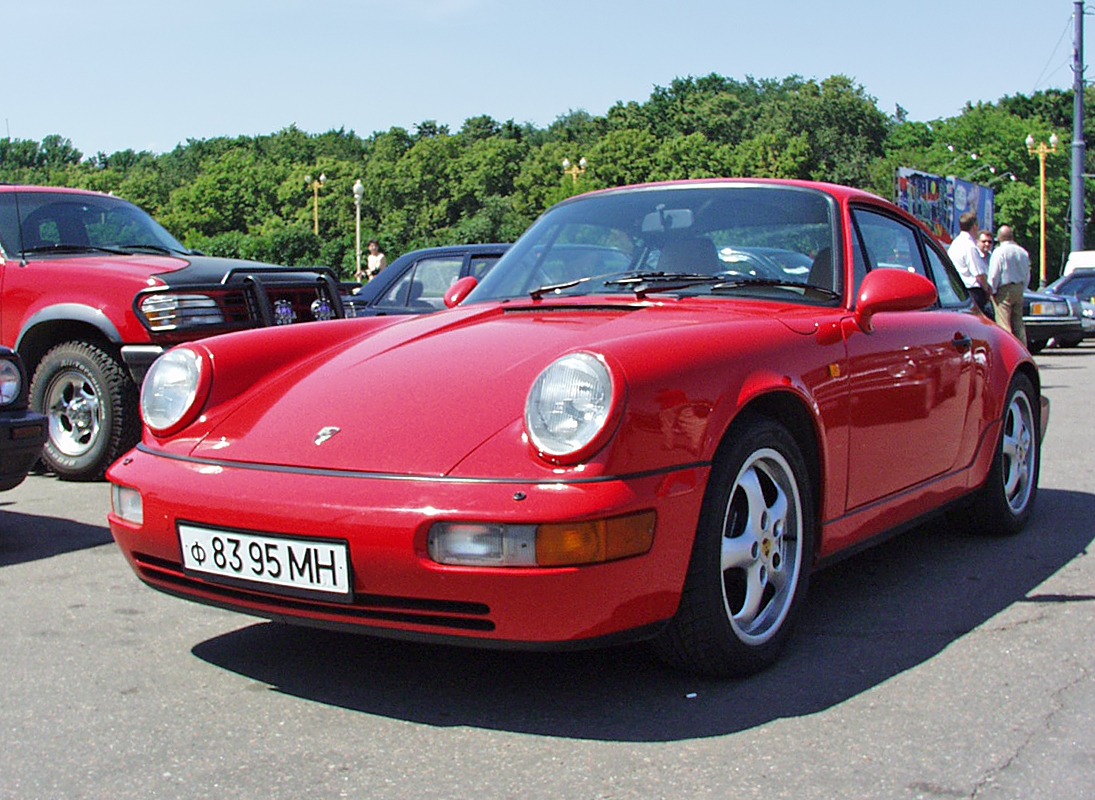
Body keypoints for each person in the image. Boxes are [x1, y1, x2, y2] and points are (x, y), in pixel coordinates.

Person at [988, 225, 1031, 347]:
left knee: (1003, 322)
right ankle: (1022, 348)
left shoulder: (999, 252)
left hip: (1004, 289)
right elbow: (1027, 273)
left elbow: (994, 273)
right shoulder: (1022, 252)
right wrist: (1023, 288)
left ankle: (1007, 349)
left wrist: (992, 289)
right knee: (1018, 322)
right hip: (1019, 288)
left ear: (1000, 237)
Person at [948, 211, 994, 318]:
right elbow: (979, 275)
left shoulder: (955, 243)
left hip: (957, 290)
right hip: (973, 292)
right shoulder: (970, 246)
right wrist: (988, 290)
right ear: (974, 227)